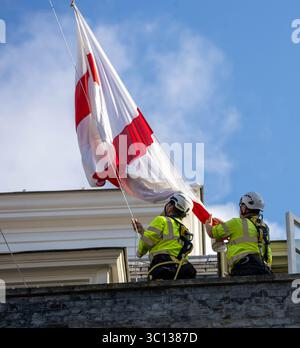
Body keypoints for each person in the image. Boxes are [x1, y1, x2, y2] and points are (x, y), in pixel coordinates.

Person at [131, 192, 197, 280]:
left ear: (170, 207)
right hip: (181, 271)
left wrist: (139, 252)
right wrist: (142, 231)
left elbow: (147, 242)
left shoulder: (162, 220)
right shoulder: (184, 230)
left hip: (162, 268)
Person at [205, 192, 272, 276]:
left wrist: (207, 223)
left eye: (241, 206)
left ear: (244, 208)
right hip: (263, 269)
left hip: (244, 267)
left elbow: (212, 233)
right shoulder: (264, 227)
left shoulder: (236, 222)